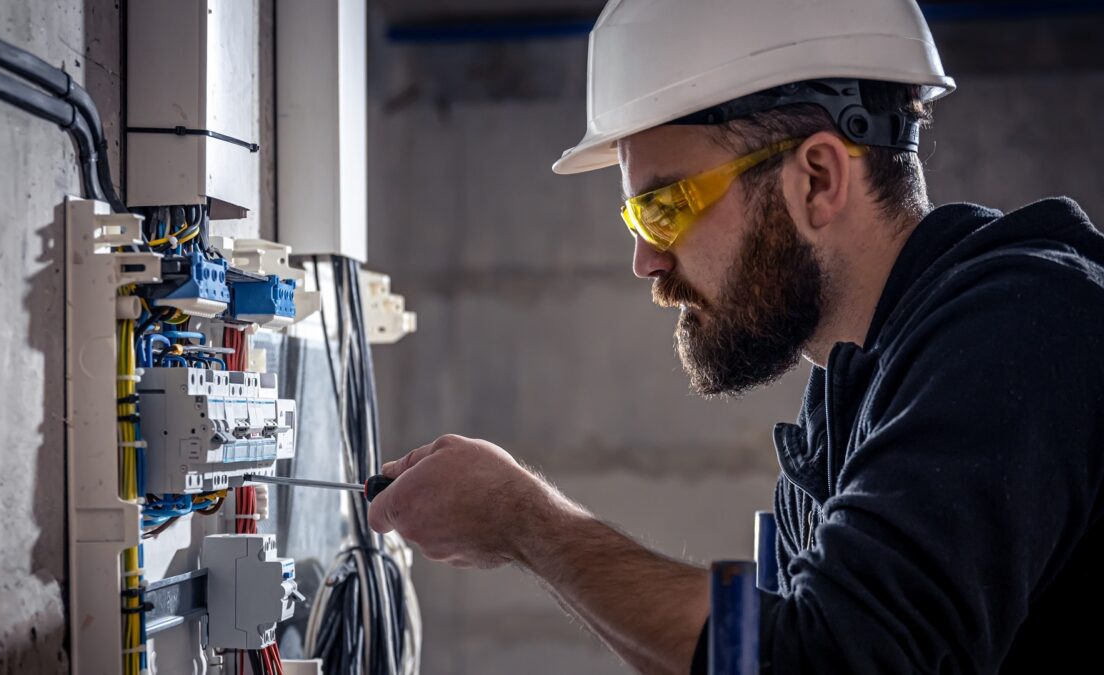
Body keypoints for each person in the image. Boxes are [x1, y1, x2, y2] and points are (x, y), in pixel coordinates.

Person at [367, 0, 1104, 672]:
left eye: (667, 206)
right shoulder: (852, 398)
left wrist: (528, 521)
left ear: (817, 177)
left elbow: (822, 659)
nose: (645, 260)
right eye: (638, 219)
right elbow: (754, 656)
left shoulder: (1023, 330)